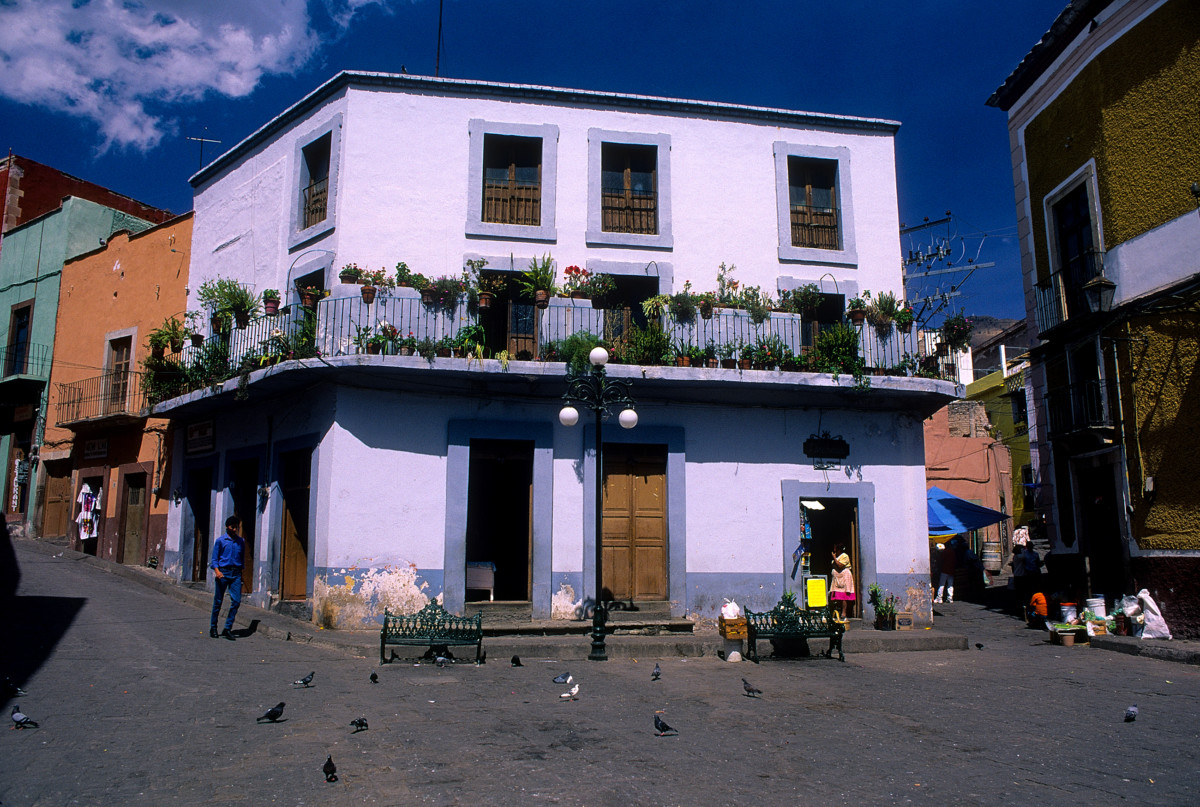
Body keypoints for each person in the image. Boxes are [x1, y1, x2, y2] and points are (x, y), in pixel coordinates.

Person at [210, 516, 245, 640]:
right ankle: (213, 627)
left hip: (235, 574)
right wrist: (217, 571)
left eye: (237, 527)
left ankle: (227, 628)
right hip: (223, 573)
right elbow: (214, 559)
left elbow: (242, 558)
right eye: (232, 527)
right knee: (218, 602)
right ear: (227, 527)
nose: (235, 529)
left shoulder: (241, 541)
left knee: (236, 601)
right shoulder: (220, 541)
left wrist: (241, 572)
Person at [829, 545, 855, 622]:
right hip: (837, 579)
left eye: (835, 550)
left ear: (839, 550)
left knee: (844, 596)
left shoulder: (844, 556)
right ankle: (836, 612)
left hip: (844, 577)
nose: (834, 551)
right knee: (837, 595)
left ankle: (844, 614)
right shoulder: (837, 557)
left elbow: (840, 565)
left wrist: (834, 558)